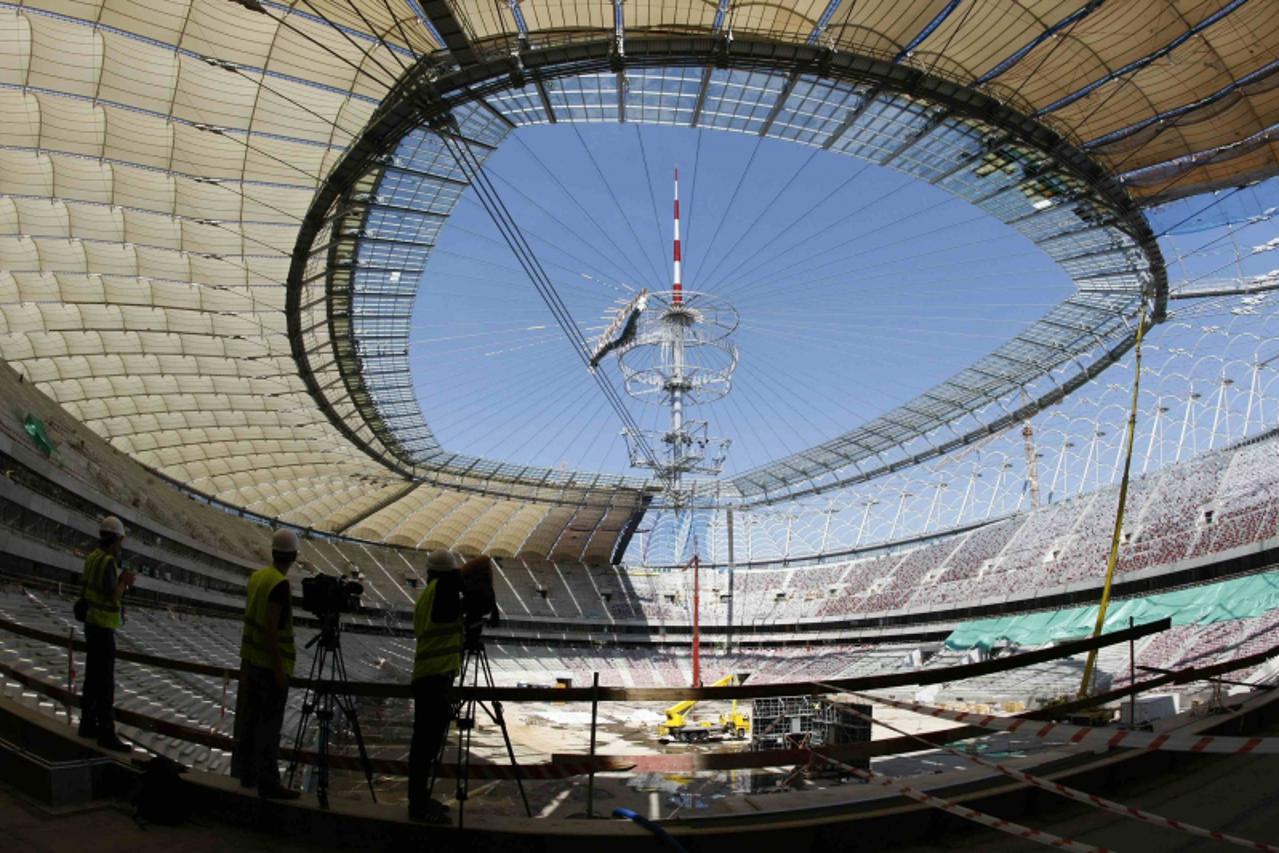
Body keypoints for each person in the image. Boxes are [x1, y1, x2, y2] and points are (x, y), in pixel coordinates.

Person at [233, 529, 301, 800]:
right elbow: (270, 629)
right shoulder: (279, 584)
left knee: (250, 723)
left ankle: (248, 775)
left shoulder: (257, 577)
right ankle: (269, 782)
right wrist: (279, 668)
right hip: (268, 667)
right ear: (294, 555)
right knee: (269, 728)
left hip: (250, 662)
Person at [408, 549, 466, 822]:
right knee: (426, 746)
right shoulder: (442, 591)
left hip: (428, 676)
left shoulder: (428, 594)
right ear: (449, 574)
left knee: (425, 746)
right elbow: (480, 567)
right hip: (435, 678)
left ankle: (420, 801)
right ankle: (418, 808)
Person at [78, 515, 137, 752]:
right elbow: (113, 595)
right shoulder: (108, 562)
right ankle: (106, 733)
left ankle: (86, 724)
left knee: (91, 679)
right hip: (103, 627)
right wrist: (125, 581)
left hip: (91, 623)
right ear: (117, 539)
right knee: (105, 684)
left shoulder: (92, 558)